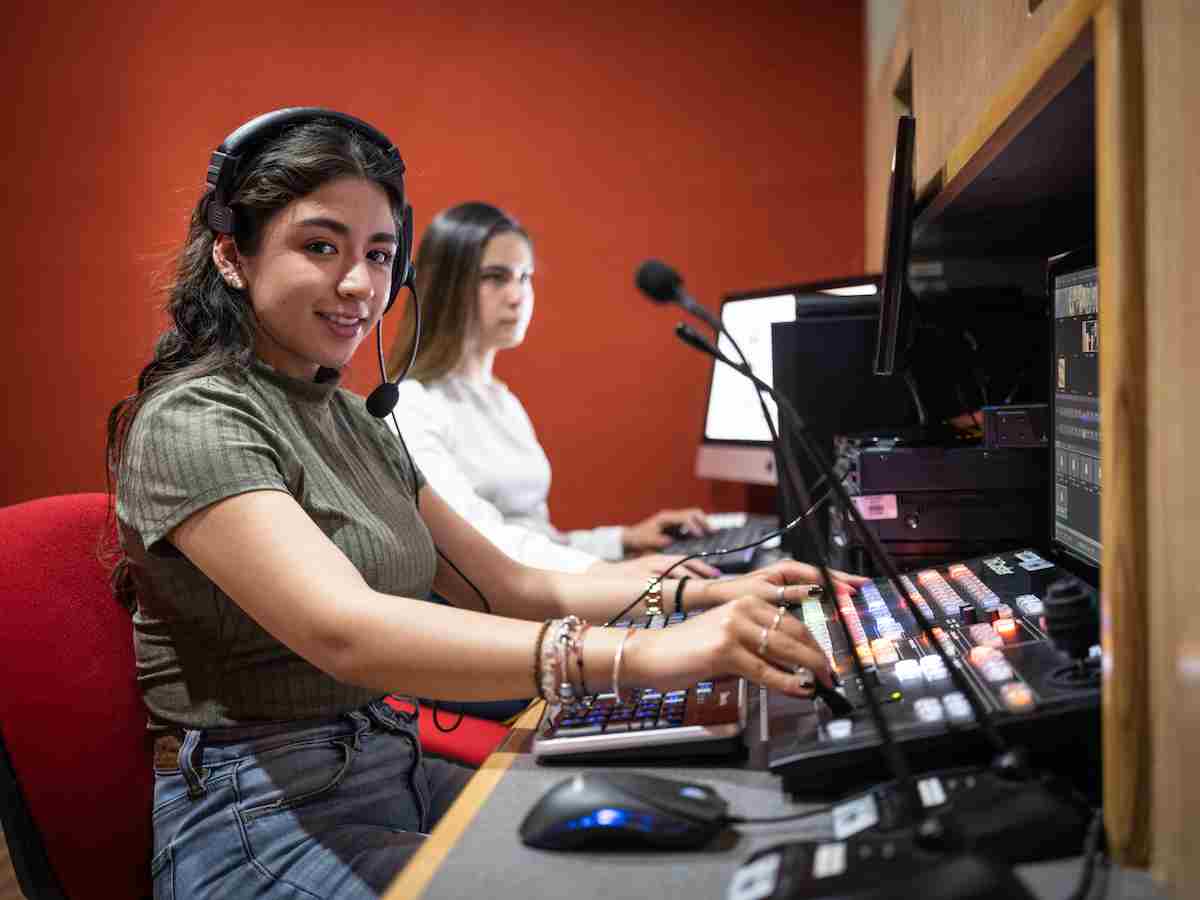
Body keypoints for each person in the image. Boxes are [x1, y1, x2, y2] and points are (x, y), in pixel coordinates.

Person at [106, 108, 867, 900]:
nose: (360, 286)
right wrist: (646, 654)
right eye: (321, 247)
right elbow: (345, 631)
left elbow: (514, 588)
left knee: (690, 856)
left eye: (378, 254)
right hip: (256, 822)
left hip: (387, 767)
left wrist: (707, 592)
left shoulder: (352, 419)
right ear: (233, 255)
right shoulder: (195, 419)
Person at [382, 201, 719, 579]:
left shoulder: (502, 401)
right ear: (444, 286)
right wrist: (617, 574)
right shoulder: (411, 406)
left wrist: (622, 542)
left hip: (541, 592)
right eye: (496, 277)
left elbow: (535, 538)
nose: (517, 295)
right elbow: (485, 543)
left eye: (524, 277)